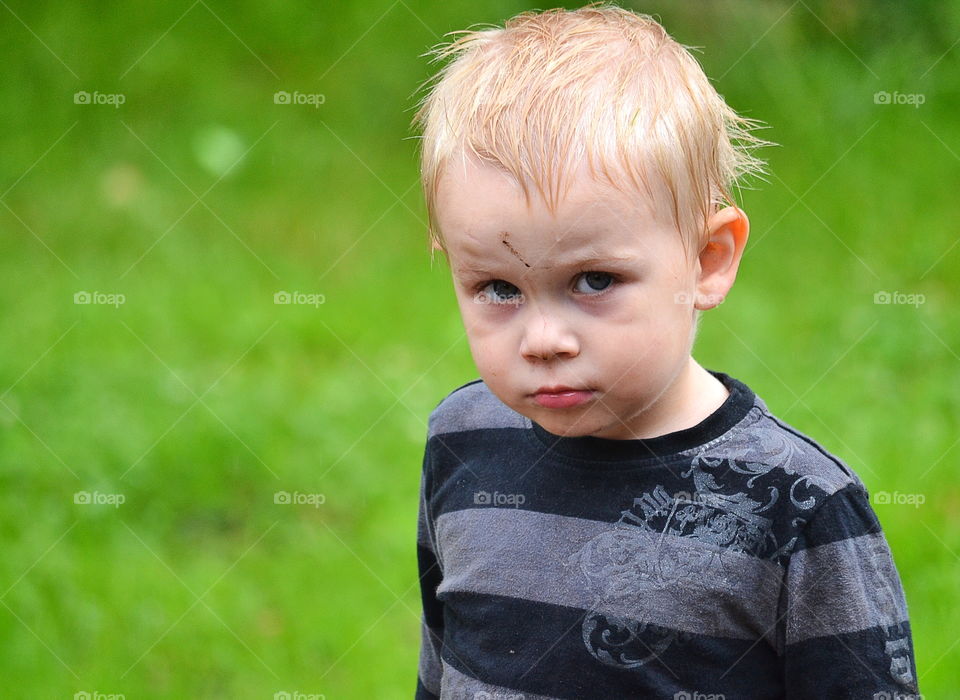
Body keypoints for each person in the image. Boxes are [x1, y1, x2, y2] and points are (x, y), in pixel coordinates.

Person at [409, 3, 919, 698]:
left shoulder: (795, 507)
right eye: (498, 287)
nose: (544, 340)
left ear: (707, 261)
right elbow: (444, 668)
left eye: (594, 281)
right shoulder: (465, 441)